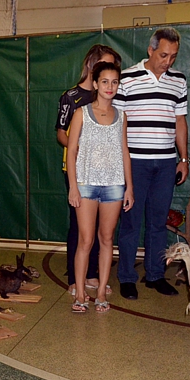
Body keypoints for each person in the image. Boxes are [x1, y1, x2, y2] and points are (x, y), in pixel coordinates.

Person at [112, 27, 189, 300]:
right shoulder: (127, 79)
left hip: (166, 163)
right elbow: (118, 124)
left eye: (173, 56)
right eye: (164, 55)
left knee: (158, 222)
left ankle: (155, 274)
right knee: (131, 222)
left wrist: (183, 159)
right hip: (135, 163)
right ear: (150, 50)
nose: (168, 61)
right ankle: (127, 277)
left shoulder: (178, 81)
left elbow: (180, 121)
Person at [55, 45, 122, 299]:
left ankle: (93, 274)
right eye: (104, 67)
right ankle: (75, 279)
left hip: (106, 176)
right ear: (92, 68)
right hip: (78, 173)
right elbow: (61, 133)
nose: (109, 79)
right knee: (80, 227)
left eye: (114, 72)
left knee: (102, 231)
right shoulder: (71, 98)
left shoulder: (111, 98)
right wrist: (82, 148)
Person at [67, 61, 133, 313]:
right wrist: (73, 187)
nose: (110, 86)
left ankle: (102, 292)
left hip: (114, 186)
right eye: (105, 81)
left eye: (114, 82)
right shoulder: (81, 113)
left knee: (106, 239)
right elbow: (72, 150)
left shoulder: (121, 116)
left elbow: (124, 152)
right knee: (85, 240)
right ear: (95, 83)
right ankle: (81, 293)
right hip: (86, 185)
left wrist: (129, 188)